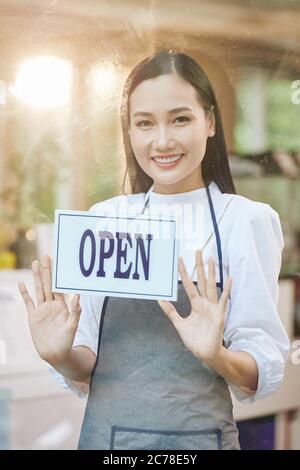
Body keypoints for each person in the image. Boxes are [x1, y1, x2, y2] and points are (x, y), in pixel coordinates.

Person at [18, 49, 290, 450]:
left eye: (180, 119)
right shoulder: (106, 219)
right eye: (144, 123)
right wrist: (58, 355)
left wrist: (216, 356)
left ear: (210, 121)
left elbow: (260, 369)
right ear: (129, 131)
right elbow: (87, 361)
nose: (162, 141)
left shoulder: (244, 220)